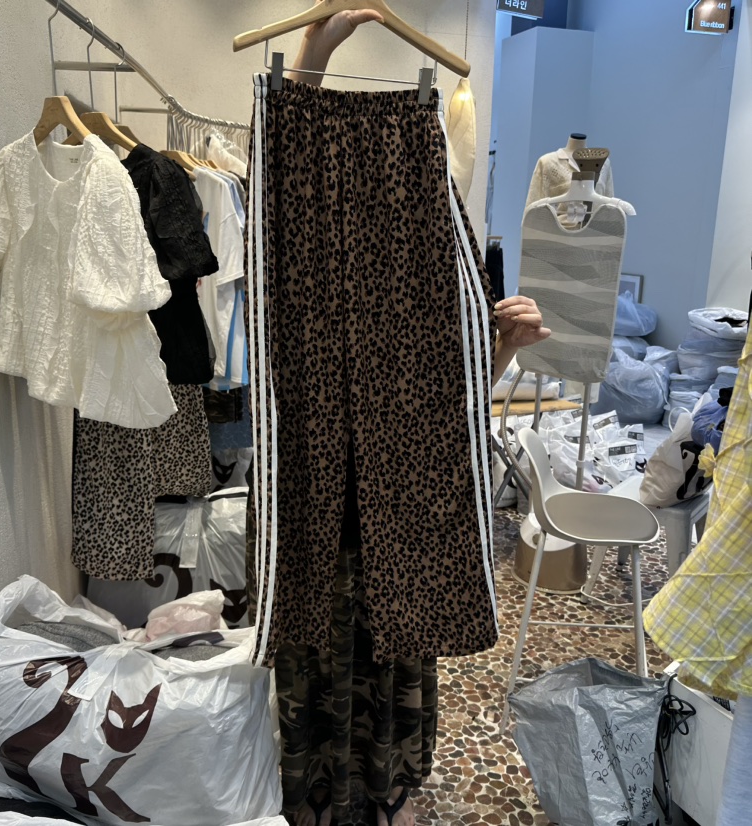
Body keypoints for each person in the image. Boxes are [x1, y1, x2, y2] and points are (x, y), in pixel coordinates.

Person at [264, 7, 551, 826]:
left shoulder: (432, 243)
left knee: (395, 656)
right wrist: (313, 55)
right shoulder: (303, 248)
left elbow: (452, 404)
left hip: (407, 514)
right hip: (323, 506)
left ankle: (388, 797)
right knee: (319, 651)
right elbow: (286, 179)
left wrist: (501, 348)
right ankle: (314, 801)